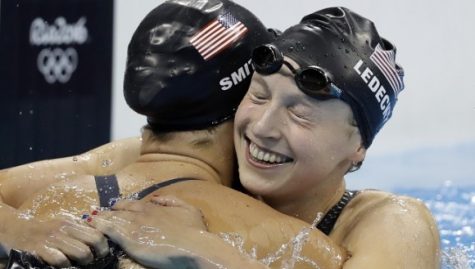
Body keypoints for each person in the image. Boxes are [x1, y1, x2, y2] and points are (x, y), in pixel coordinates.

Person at [88, 6, 441, 269]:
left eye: (300, 114)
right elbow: (64, 178)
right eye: (258, 96)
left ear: (358, 147)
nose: (261, 128)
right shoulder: (205, 165)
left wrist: (203, 250)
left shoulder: (393, 221)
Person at [0, 1, 346, 268]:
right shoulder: (281, 238)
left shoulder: (47, 205)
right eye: (260, 95)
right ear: (242, 103)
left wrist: (18, 228)